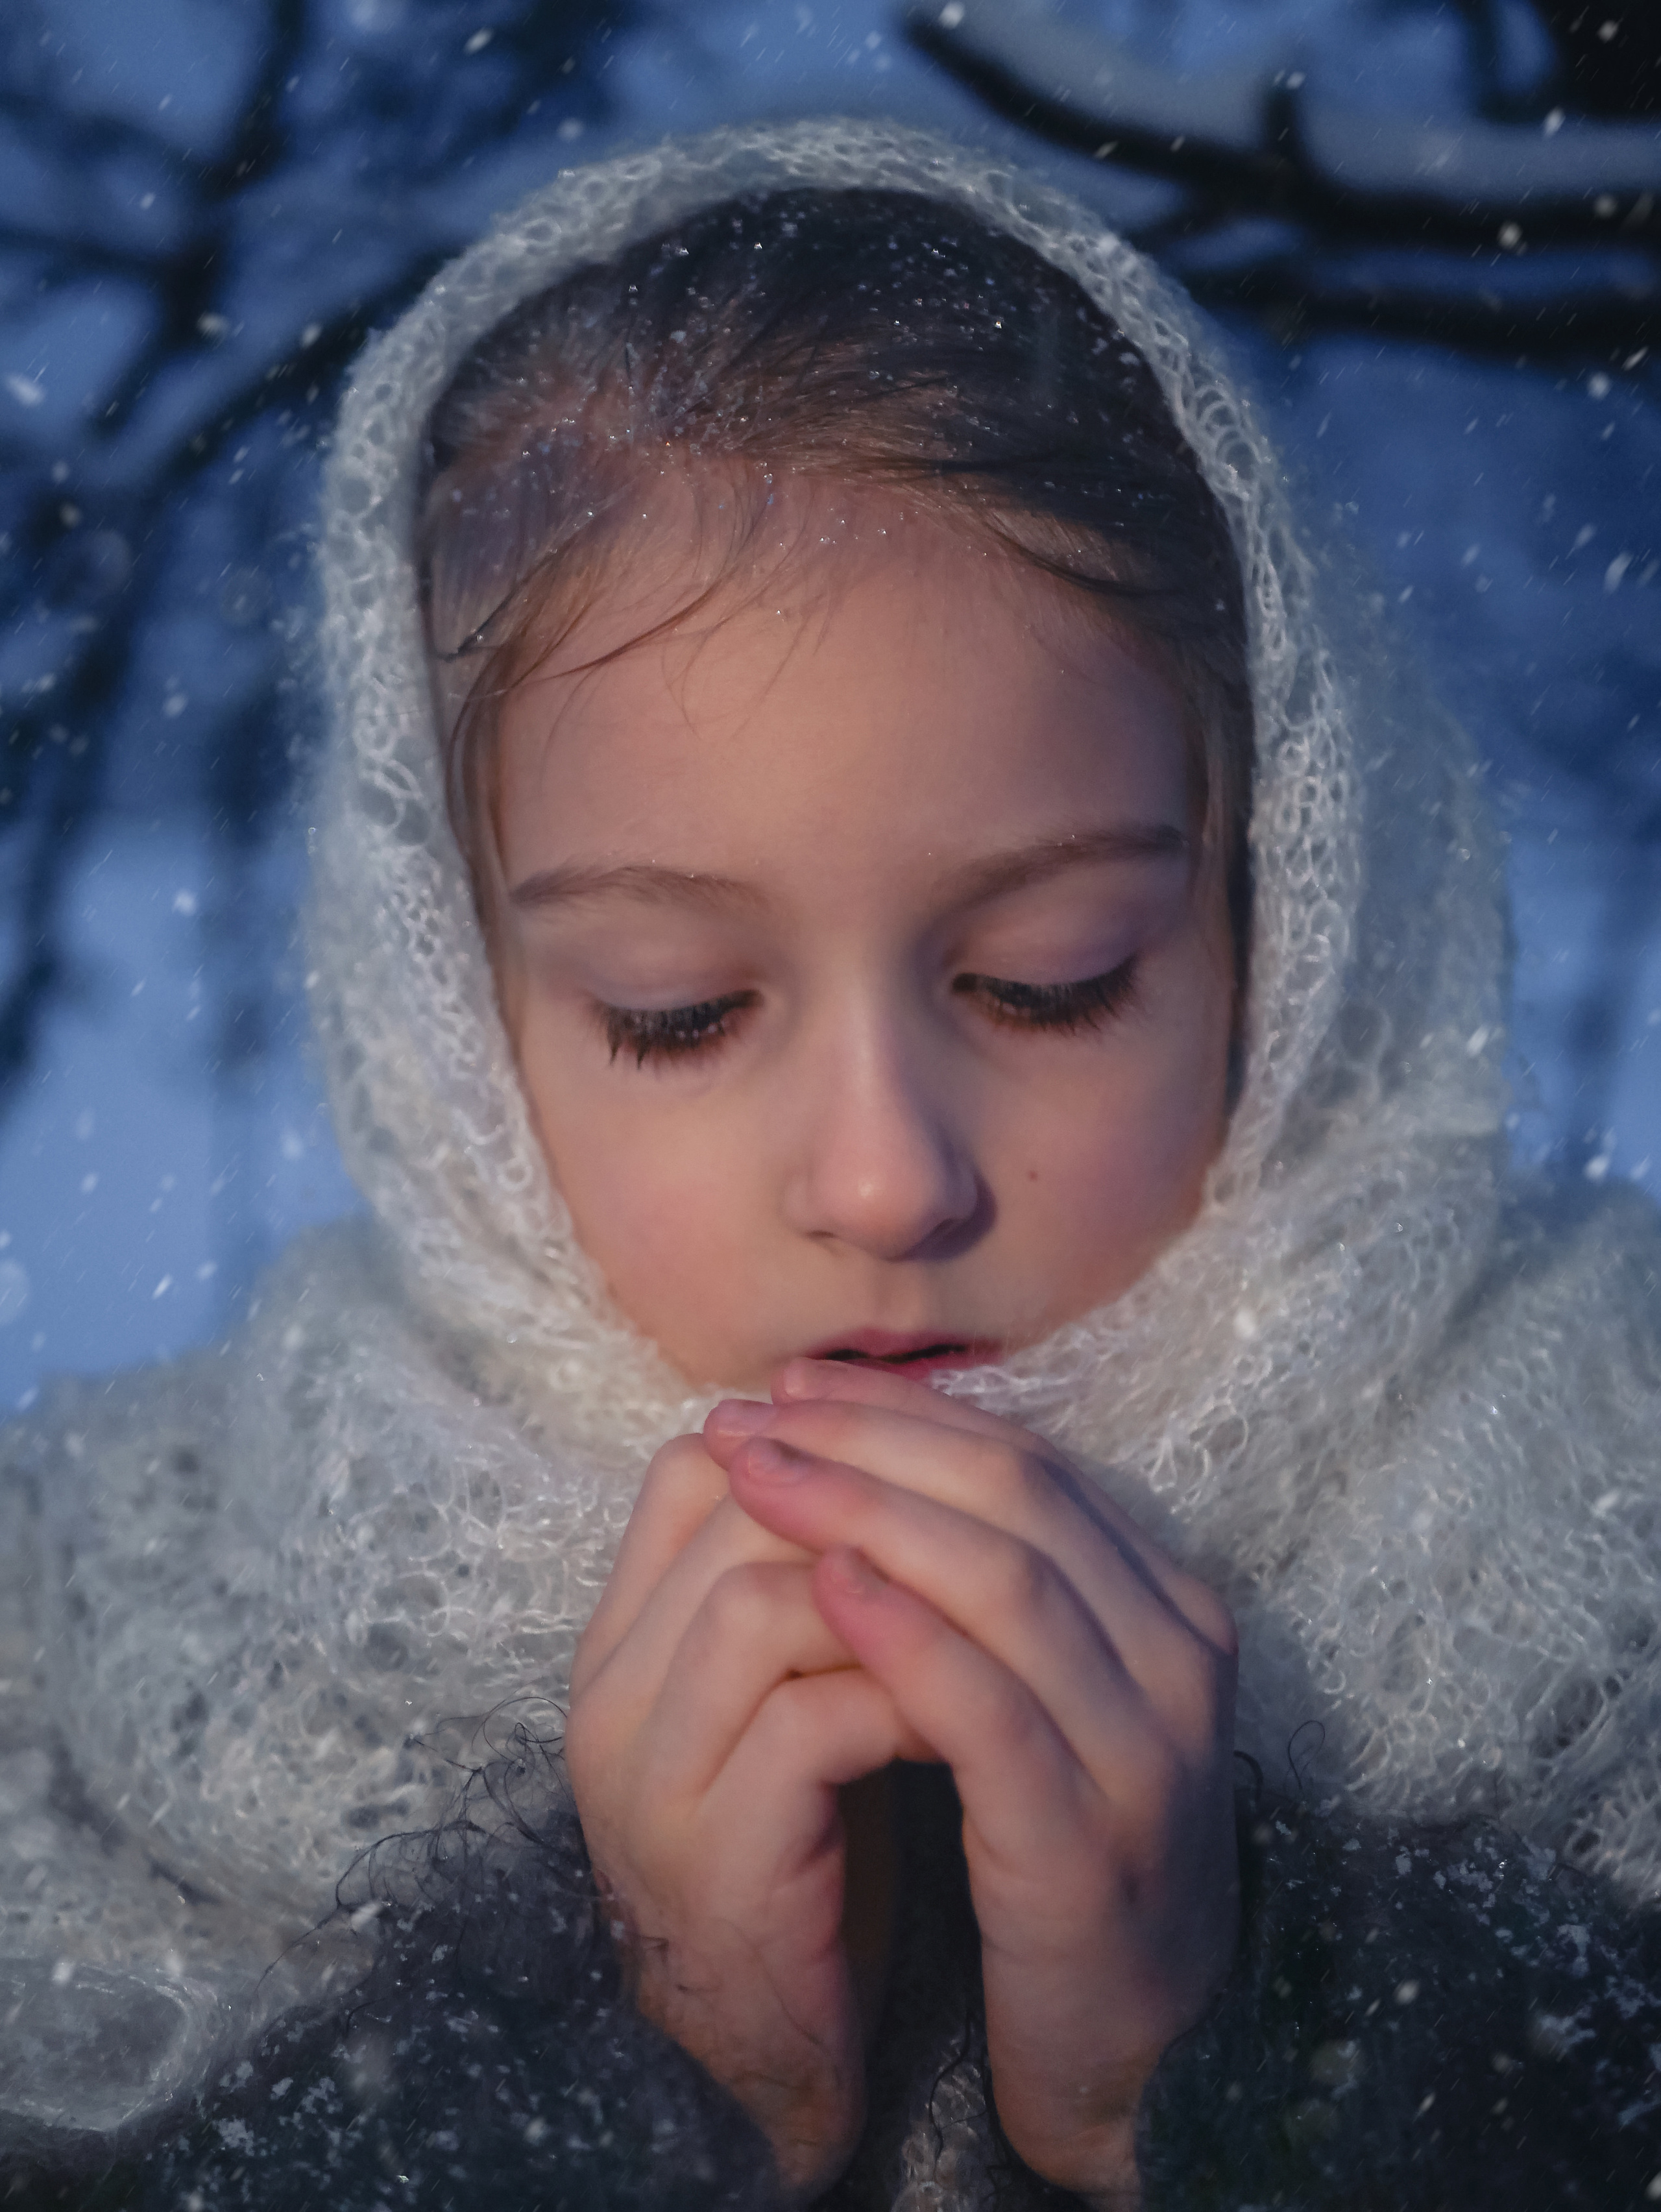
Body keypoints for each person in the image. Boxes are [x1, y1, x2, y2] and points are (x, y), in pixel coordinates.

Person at [3, 119, 1659, 2208]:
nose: (884, 1182)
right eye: (679, 1009)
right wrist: (624, 2083)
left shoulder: (1619, 1526)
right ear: (451, 1016)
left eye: (1051, 978)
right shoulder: (92, 1661)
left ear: (1282, 921)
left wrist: (1266, 2072)